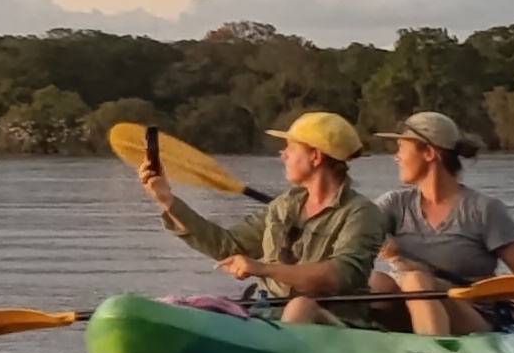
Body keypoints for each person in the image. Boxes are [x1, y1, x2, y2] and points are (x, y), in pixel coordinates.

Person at [132, 111, 387, 323]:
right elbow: (228, 246)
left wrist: (262, 268)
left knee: (300, 307)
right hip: (269, 317)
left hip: (332, 324)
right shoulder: (283, 206)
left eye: (290, 148)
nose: (283, 155)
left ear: (316, 156)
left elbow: (339, 276)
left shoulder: (361, 213)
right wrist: (167, 201)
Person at [369, 110, 514, 334]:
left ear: (429, 152)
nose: (396, 157)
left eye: (402, 148)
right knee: (375, 282)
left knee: (416, 281)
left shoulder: (484, 209)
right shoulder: (393, 203)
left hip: (471, 315)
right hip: (409, 308)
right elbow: (355, 232)